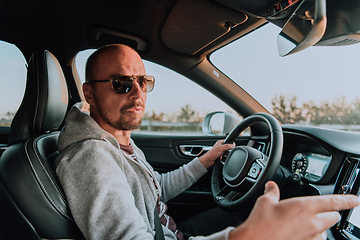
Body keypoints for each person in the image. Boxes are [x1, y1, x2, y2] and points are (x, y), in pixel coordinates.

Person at [55, 44, 360, 240]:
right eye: (120, 83)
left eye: (143, 82)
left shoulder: (117, 141)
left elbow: (155, 188)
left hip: (171, 231)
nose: (137, 95)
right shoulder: (92, 158)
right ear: (90, 94)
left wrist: (205, 161)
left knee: (248, 211)